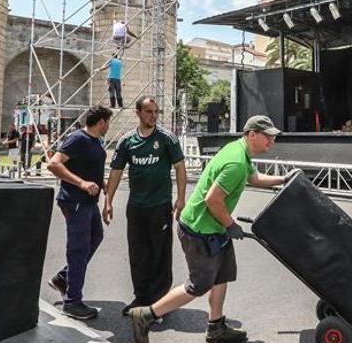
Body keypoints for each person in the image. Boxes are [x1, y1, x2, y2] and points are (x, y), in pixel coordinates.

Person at [129, 115, 291, 343]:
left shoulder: (239, 151)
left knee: (222, 275)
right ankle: (146, 315)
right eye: (268, 137)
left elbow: (253, 177)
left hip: (214, 228)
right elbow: (212, 200)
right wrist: (230, 225)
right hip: (200, 230)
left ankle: (216, 327)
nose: (271, 142)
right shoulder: (235, 161)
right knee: (199, 284)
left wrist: (282, 179)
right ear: (252, 134)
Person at [104, 96, 187, 316]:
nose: (153, 116)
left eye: (156, 112)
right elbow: (116, 171)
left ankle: (159, 304)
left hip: (160, 205)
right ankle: (141, 298)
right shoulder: (127, 141)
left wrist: (181, 198)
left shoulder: (167, 138)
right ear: (138, 113)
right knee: (138, 253)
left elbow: (179, 167)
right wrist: (108, 201)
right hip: (136, 207)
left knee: (159, 252)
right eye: (149, 111)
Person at [46, 106, 113, 321]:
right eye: (108, 122)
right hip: (75, 201)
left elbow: (86, 165)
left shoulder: (95, 141)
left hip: (88, 201)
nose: (108, 126)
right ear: (101, 122)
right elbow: (54, 164)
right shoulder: (78, 138)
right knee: (78, 249)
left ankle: (64, 278)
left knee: (96, 237)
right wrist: (82, 183)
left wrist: (99, 182)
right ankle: (72, 302)